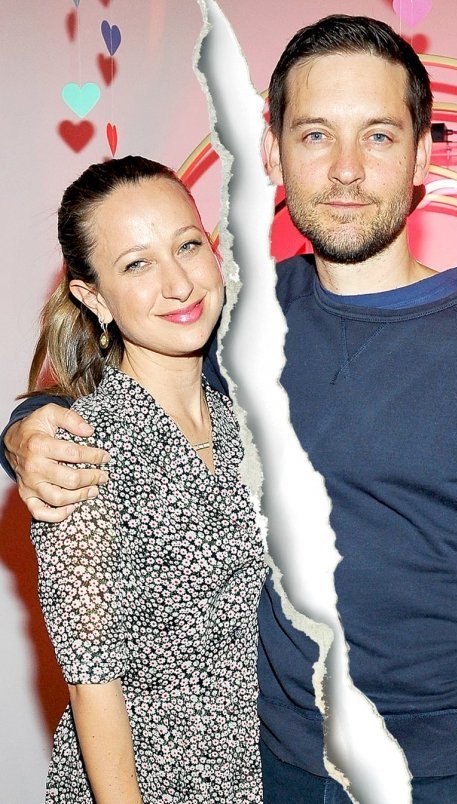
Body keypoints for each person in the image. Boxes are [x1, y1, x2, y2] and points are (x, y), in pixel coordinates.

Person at [2, 14, 457, 804]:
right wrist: (22, 429)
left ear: (423, 155)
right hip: (269, 766)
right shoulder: (240, 322)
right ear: (272, 153)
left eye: (380, 136)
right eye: (317, 134)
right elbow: (124, 373)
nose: (347, 169)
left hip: (439, 775)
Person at [17, 156, 265, 802]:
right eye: (137, 264)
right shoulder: (81, 450)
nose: (179, 284)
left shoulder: (246, 422)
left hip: (256, 775)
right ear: (94, 298)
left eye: (188, 246)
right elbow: (92, 683)